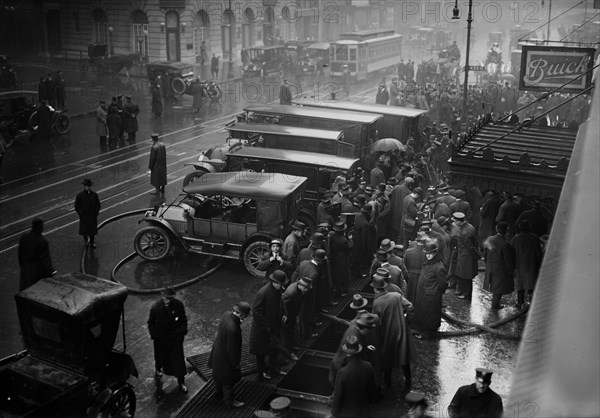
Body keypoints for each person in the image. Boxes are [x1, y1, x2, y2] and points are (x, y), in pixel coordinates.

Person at [371, 271, 415, 391]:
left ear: (376, 289)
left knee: (387, 357)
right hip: (401, 329)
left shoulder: (377, 303)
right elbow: (410, 306)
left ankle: (387, 384)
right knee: (403, 356)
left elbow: (375, 321)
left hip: (388, 332)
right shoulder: (396, 295)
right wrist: (406, 319)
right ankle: (408, 380)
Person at [207, 301, 251, 408]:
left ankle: (218, 395)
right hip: (226, 358)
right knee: (228, 380)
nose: (245, 318)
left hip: (218, 352)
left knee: (219, 377)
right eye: (244, 316)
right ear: (240, 314)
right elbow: (232, 350)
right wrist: (235, 363)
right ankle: (229, 401)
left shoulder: (226, 315)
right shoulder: (233, 329)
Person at [147, 287, 189, 393]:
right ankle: (158, 369)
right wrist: (155, 335)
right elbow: (150, 322)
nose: (169, 300)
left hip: (175, 338)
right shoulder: (156, 307)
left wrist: (182, 332)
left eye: (171, 298)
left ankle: (181, 382)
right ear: (162, 296)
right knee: (160, 356)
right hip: (161, 338)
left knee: (178, 360)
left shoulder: (178, 305)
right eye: (167, 298)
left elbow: (183, 319)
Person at [249, 270, 287, 380]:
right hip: (262, 329)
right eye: (281, 284)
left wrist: (284, 313)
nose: (282, 286)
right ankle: (262, 371)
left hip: (275, 326)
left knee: (274, 349)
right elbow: (256, 312)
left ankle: (275, 368)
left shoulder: (278, 291)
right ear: (274, 283)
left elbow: (281, 303)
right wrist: (267, 327)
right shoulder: (262, 293)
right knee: (261, 352)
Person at [330, 335, 378, 418]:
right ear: (358, 350)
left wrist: (333, 413)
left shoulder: (343, 372)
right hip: (364, 412)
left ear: (347, 352)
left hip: (347, 413)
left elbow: (338, 397)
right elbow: (373, 391)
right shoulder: (368, 366)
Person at [413, 242, 447, 338]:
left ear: (435, 253)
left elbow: (443, 284)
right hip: (423, 295)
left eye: (430, 253)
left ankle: (427, 334)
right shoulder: (428, 263)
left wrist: (436, 292)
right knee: (423, 313)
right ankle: (422, 329)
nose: (428, 256)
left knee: (430, 316)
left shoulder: (438, 267)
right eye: (427, 253)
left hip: (431, 297)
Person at [483, 221, 516, 309]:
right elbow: (508, 261)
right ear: (506, 231)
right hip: (500, 269)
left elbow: (485, 254)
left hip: (490, 266)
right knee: (498, 288)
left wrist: (487, 263)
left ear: (496, 228)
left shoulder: (489, 239)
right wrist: (511, 270)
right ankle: (495, 305)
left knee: (495, 286)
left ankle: (495, 304)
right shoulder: (505, 244)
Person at [18, 218, 55, 291]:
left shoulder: (24, 237)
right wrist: (51, 272)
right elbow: (45, 259)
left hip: (26, 268)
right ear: (39, 227)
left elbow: (20, 254)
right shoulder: (42, 241)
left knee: (26, 289)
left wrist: (23, 265)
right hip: (37, 270)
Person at [512, 220, 542, 309]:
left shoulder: (515, 239)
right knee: (531, 284)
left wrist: (512, 266)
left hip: (519, 265)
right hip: (532, 265)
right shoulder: (535, 238)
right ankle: (531, 303)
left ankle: (520, 303)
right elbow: (538, 253)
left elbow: (512, 253)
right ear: (529, 228)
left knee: (520, 285)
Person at [449, 212, 478, 300]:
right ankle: (464, 292)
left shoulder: (464, 232)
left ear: (459, 221)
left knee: (466, 276)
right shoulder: (470, 226)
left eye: (455, 221)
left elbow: (468, 245)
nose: (455, 223)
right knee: (465, 275)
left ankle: (466, 294)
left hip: (466, 256)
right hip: (468, 255)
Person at [281, 277, 312, 355]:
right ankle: (287, 351)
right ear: (300, 285)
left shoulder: (300, 289)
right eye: (305, 288)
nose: (306, 290)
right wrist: (285, 315)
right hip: (288, 315)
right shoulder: (291, 292)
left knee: (291, 330)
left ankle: (291, 346)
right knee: (286, 332)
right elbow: (283, 304)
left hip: (293, 312)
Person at [329, 221, 353, 298]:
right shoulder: (344, 240)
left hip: (334, 260)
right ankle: (342, 291)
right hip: (342, 261)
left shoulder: (332, 236)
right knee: (343, 276)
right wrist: (350, 239)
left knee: (336, 276)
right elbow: (350, 247)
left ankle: (336, 290)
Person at [74, 179, 101, 248]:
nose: (87, 187)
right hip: (84, 216)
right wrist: (81, 214)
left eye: (88, 186)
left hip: (92, 216)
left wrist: (95, 213)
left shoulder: (94, 195)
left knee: (92, 231)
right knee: (84, 230)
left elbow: (98, 205)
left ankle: (92, 242)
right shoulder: (80, 196)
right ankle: (86, 241)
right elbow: (77, 206)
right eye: (86, 186)